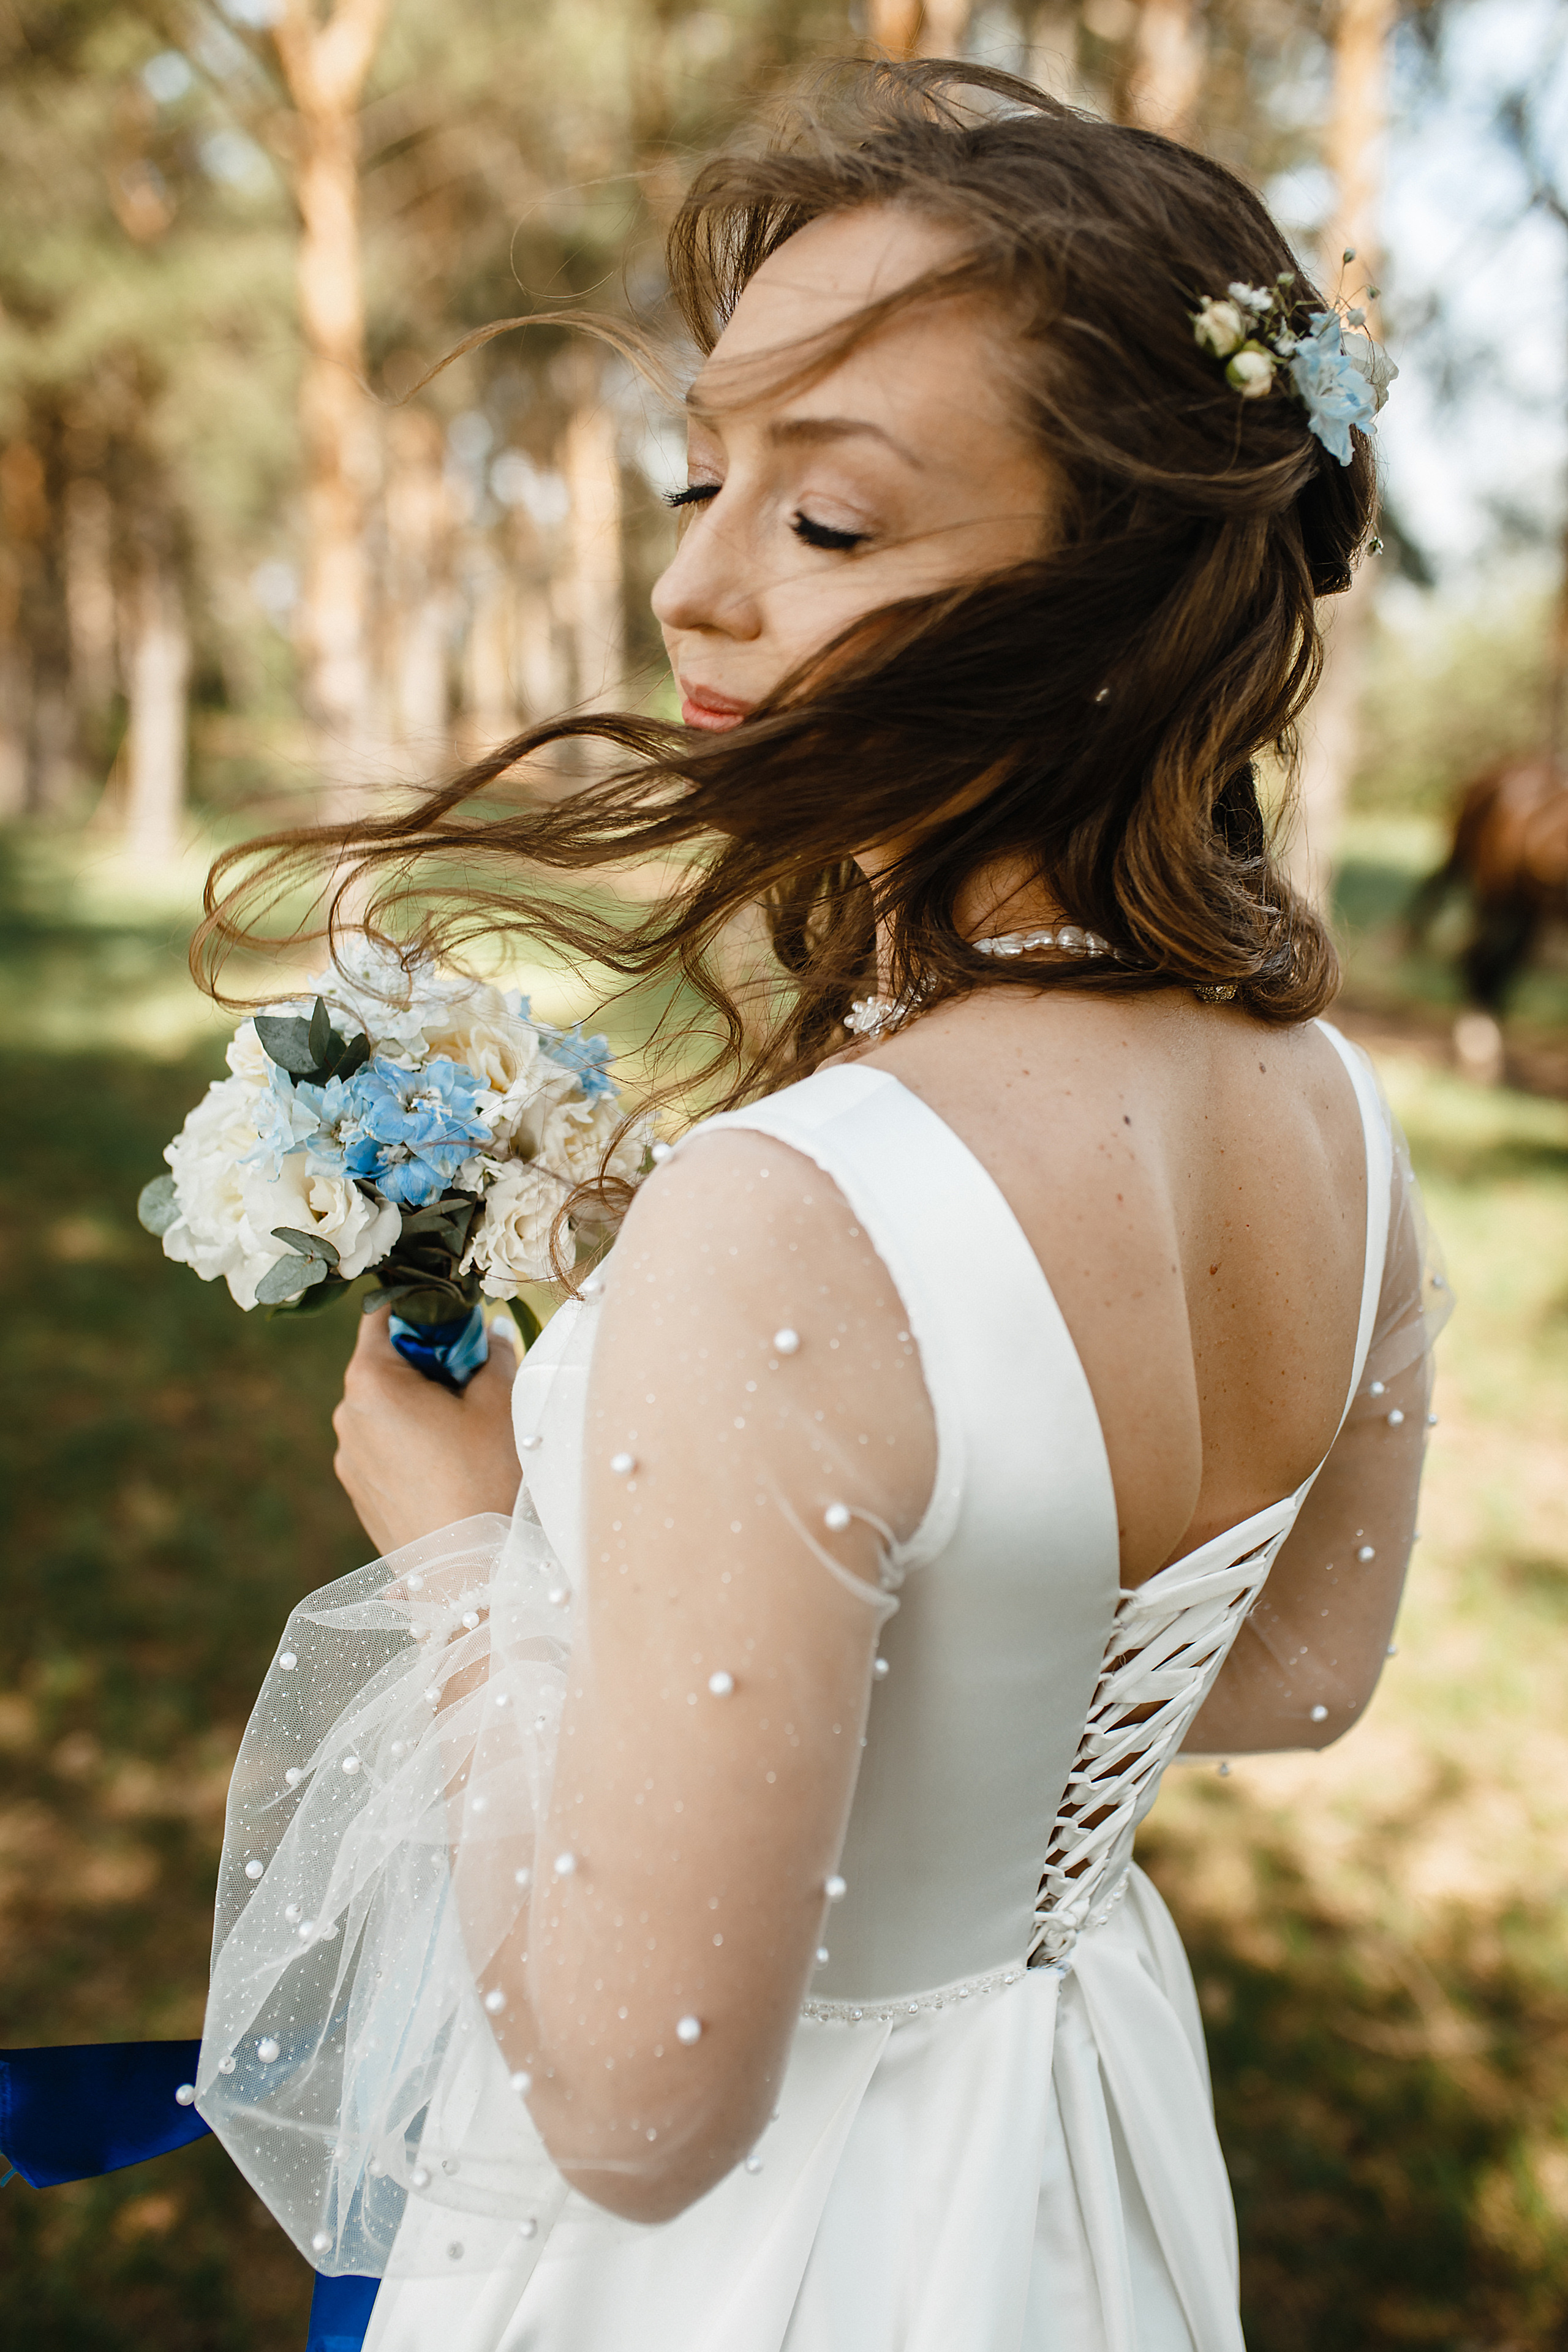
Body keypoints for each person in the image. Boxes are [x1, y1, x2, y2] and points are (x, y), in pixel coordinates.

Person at [192, 61, 1448, 2352]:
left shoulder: (796, 1219)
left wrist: (461, 1541)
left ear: (1118, 592)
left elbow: (637, 2105)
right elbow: (1298, 1679)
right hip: (1066, 2146)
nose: (689, 580)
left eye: (829, 524)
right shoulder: (1340, 1118)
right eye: (703, 480)